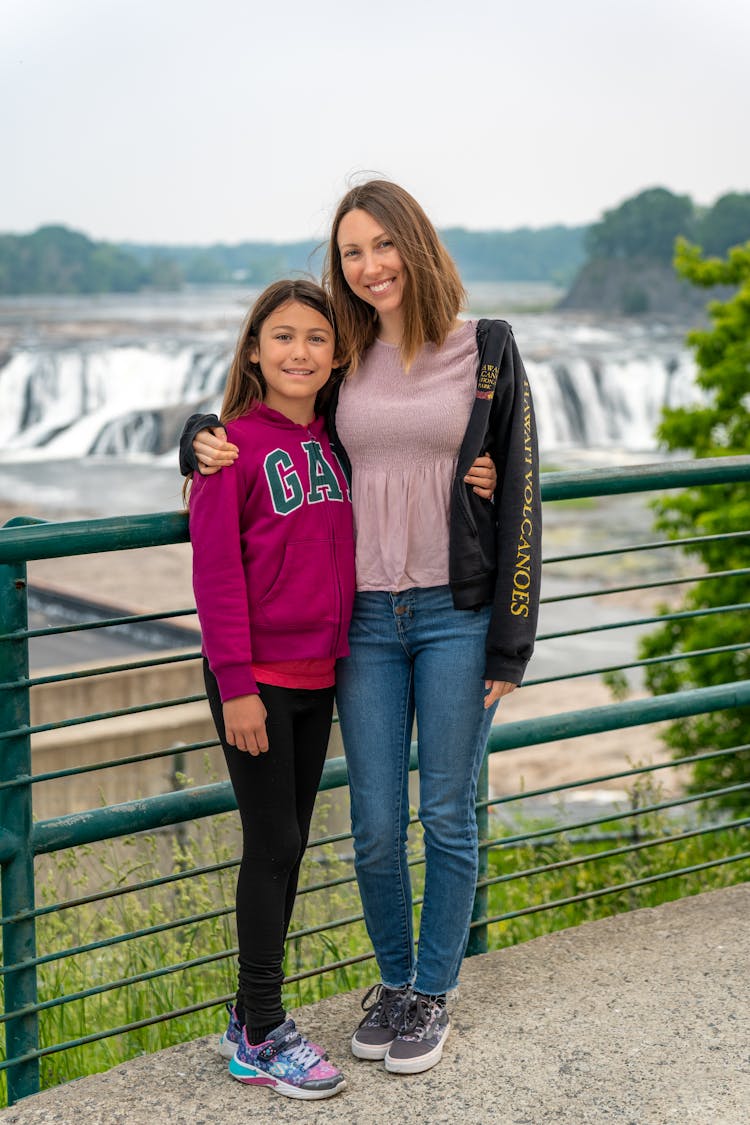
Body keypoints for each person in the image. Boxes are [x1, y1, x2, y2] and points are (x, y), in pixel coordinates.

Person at [181, 180, 542, 1077]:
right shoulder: (342, 358)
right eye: (351, 251)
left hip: (458, 615)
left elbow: (523, 495)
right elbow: (267, 415)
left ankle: (432, 990)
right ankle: (391, 978)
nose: (369, 264)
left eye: (383, 243)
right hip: (368, 621)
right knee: (375, 823)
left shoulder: (485, 351)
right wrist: (194, 432)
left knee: (446, 812)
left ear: (414, 244)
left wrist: (511, 638)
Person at [188, 278, 353, 1100]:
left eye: (316, 338)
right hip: (253, 683)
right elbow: (215, 575)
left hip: (318, 675)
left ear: (336, 354)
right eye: (282, 337)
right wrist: (236, 685)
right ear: (255, 349)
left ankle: (248, 1011)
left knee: (288, 843)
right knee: (276, 843)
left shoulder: (336, 444)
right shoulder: (230, 448)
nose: (300, 352)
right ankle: (261, 1032)